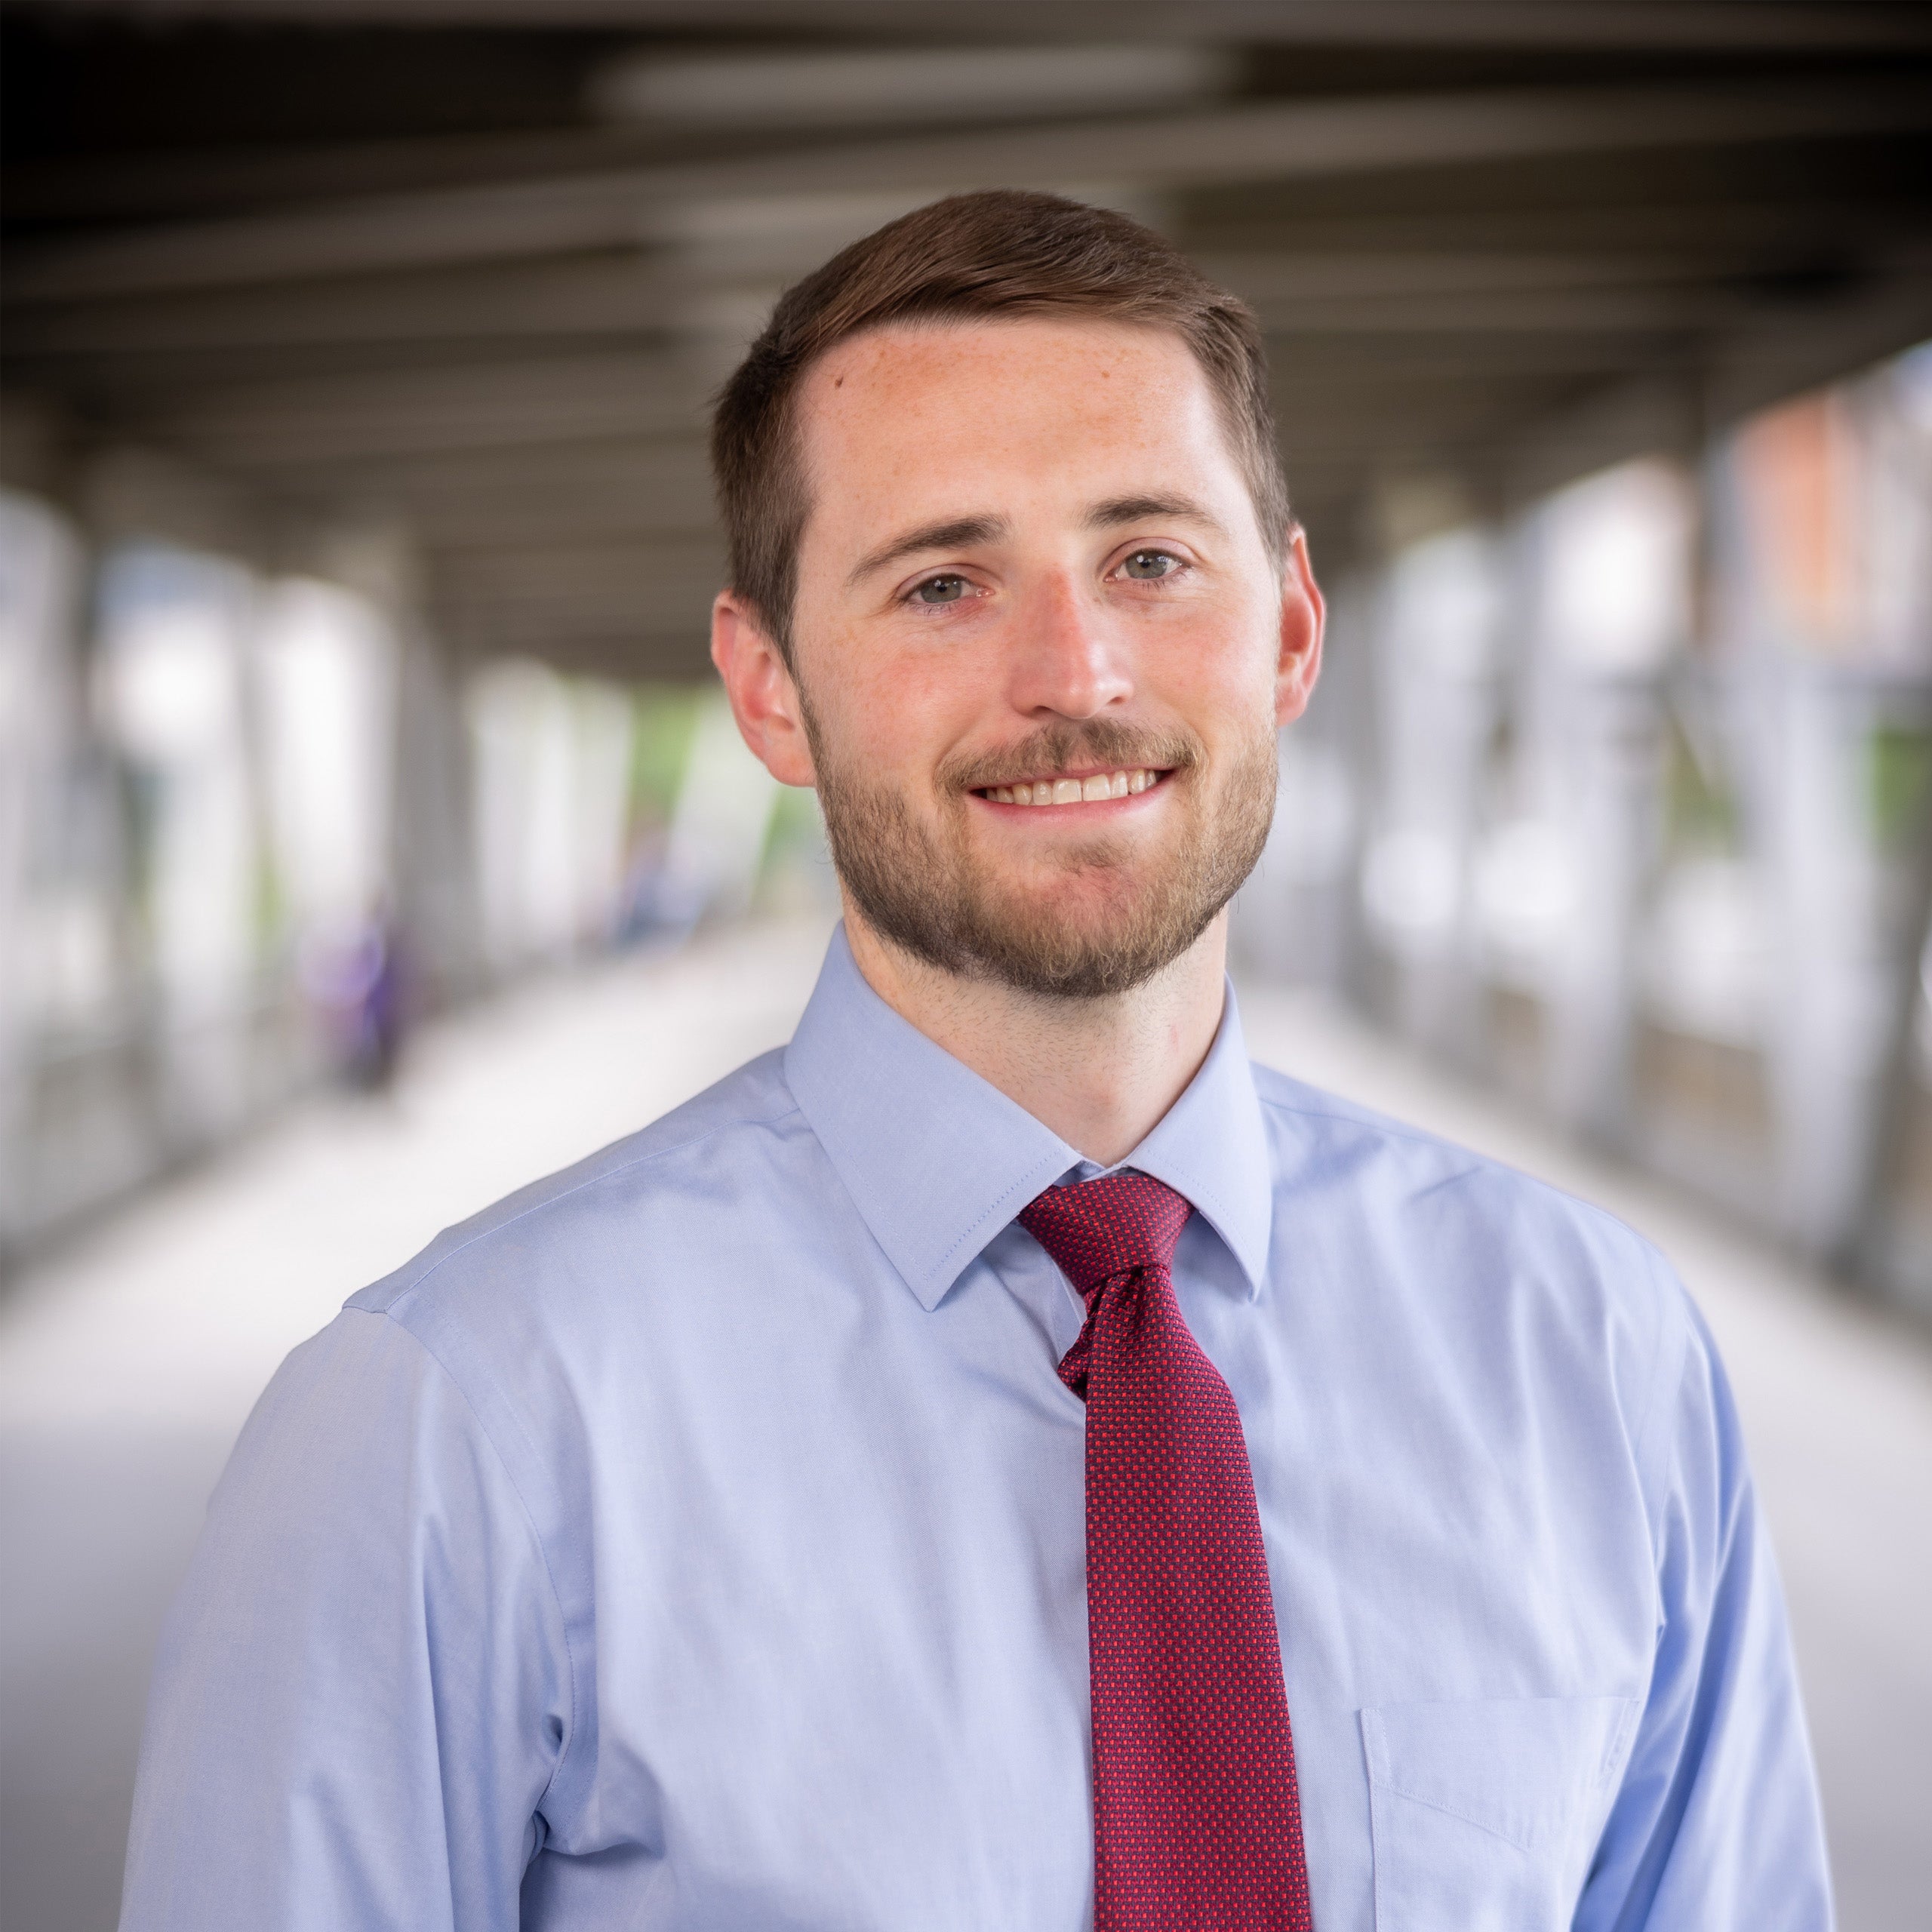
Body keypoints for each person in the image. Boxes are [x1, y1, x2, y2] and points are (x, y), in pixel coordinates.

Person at [119, 191, 1830, 1931]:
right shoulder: (451, 1423)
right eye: (942, 581)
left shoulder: (1592, 1355)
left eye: (1149, 559)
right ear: (769, 687)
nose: (1071, 674)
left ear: (1292, 629)